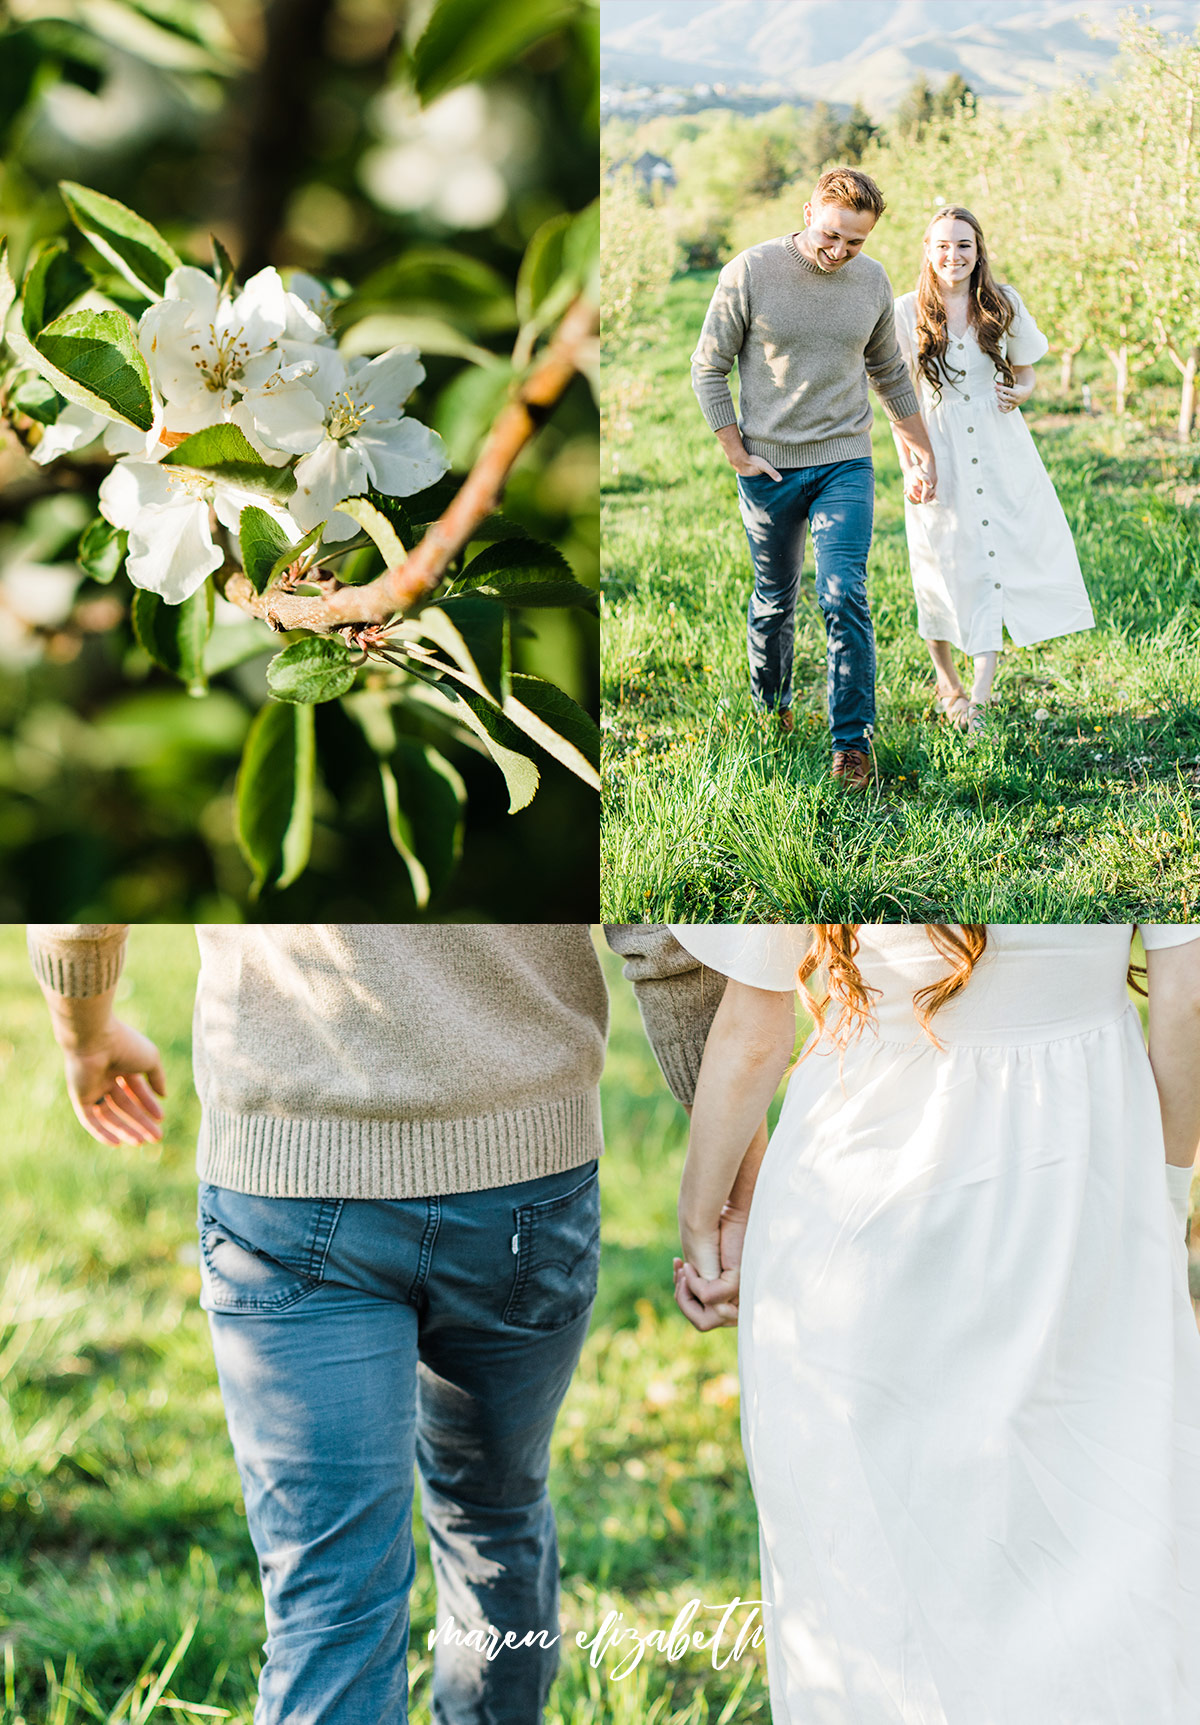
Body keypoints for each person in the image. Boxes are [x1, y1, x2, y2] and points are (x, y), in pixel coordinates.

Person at [28, 922, 723, 1725]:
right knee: (495, 1513)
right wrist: (731, 1159)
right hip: (527, 1175)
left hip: (288, 1171)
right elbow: (664, 936)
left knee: (332, 1604)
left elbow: (81, 918)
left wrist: (86, 1030)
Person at [658, 922, 1200, 1723]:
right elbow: (1186, 999)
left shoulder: (801, 789)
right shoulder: (1153, 789)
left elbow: (752, 1033)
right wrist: (1160, 1193)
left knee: (872, 1581)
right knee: (1102, 1552)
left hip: (854, 1190)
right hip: (1080, 1174)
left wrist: (707, 1215)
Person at [690, 167, 938, 790]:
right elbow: (707, 367)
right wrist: (736, 451)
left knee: (842, 593)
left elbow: (889, 372)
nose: (839, 252)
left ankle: (851, 745)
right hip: (770, 466)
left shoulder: (871, 279)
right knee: (774, 602)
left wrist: (922, 452)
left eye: (854, 242)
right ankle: (772, 710)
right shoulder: (749, 272)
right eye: (831, 236)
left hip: (845, 461)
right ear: (808, 213)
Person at [892, 208, 1095, 736]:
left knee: (991, 558)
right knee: (938, 563)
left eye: (963, 244)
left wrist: (1018, 392)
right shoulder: (905, 311)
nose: (952, 256)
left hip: (1000, 444)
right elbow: (898, 400)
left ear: (978, 250)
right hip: (935, 447)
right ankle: (948, 683)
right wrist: (914, 463)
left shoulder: (1001, 304)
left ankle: (978, 697)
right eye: (941, 245)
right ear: (927, 250)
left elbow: (1027, 375)